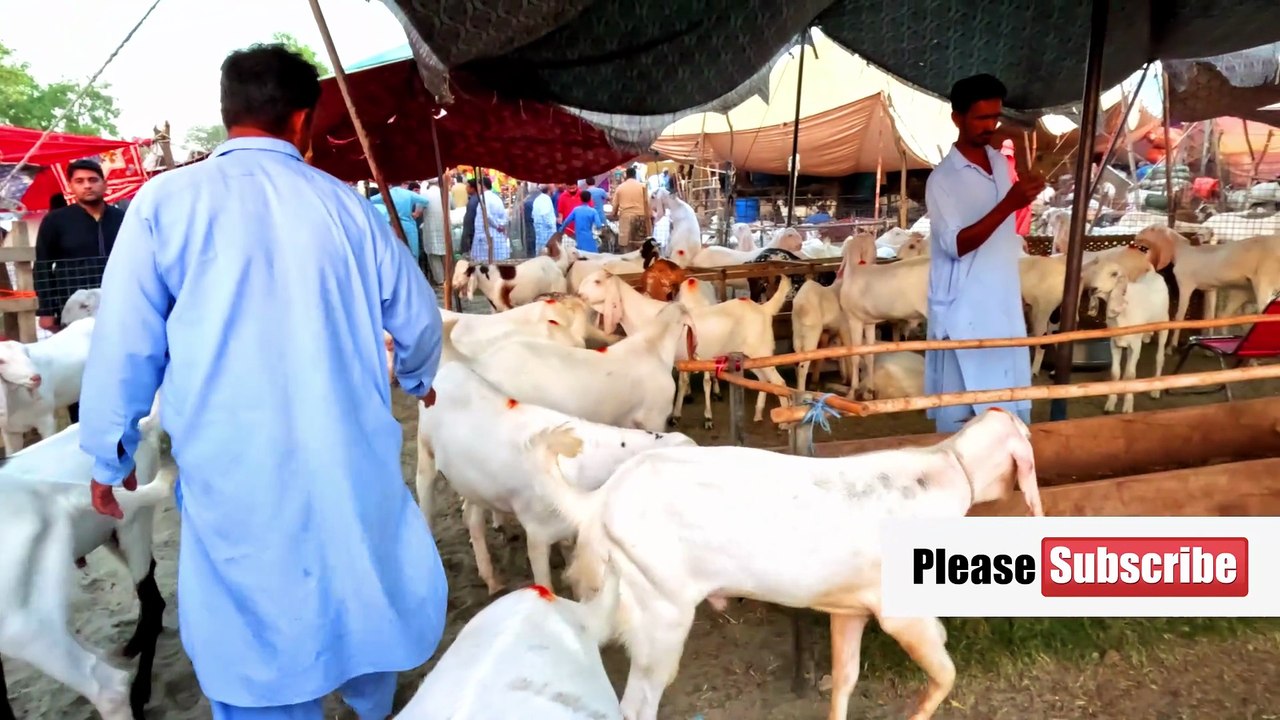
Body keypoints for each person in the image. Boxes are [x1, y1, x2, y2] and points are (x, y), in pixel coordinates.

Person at [78, 43, 449, 719]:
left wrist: (109, 451)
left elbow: (124, 346)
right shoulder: (345, 207)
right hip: (348, 449)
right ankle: (369, 701)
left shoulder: (167, 203)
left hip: (235, 465)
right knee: (362, 577)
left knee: (254, 619)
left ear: (225, 113)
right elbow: (420, 318)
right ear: (304, 120)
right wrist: (420, 377)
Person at [923, 73, 1045, 433]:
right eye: (980, 118)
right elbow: (956, 244)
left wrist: (1018, 195)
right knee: (963, 420)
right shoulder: (943, 179)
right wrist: (1010, 204)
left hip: (1002, 305)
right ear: (957, 118)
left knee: (1009, 414)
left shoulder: (999, 165)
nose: (989, 126)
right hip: (963, 312)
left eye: (994, 117)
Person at [35, 158, 125, 332]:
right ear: (71, 187)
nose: (87, 186)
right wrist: (46, 310)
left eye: (93, 180)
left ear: (105, 184)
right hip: (72, 304)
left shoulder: (122, 218)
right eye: (79, 181)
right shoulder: (55, 220)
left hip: (118, 299)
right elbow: (42, 267)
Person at [370, 180, 432, 261]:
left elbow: (370, 200)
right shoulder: (408, 193)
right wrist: (416, 213)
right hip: (409, 225)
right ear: (403, 182)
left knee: (397, 254)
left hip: (393, 226)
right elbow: (425, 201)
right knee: (413, 254)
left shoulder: (386, 194)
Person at [470, 175, 510, 262]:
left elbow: (486, 214)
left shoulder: (484, 198)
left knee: (486, 262)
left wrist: (497, 226)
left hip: (487, 233)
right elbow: (504, 215)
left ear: (482, 186)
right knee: (497, 260)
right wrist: (501, 225)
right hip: (496, 233)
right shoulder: (496, 197)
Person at [611, 167, 650, 250]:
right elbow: (648, 203)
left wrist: (613, 214)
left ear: (626, 175)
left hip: (626, 218)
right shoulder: (642, 186)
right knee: (640, 245)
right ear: (635, 175)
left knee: (626, 246)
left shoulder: (620, 188)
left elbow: (615, 206)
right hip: (641, 217)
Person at [420, 178, 449, 285]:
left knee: (433, 255)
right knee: (446, 253)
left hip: (430, 228)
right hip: (444, 227)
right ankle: (448, 278)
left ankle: (440, 280)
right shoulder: (445, 193)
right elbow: (452, 206)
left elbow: (418, 211)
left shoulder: (424, 194)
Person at [531, 184, 557, 254]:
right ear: (549, 190)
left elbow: (533, 215)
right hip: (547, 232)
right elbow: (546, 215)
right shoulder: (546, 199)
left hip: (539, 230)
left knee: (540, 250)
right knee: (547, 252)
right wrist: (552, 226)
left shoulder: (538, 199)